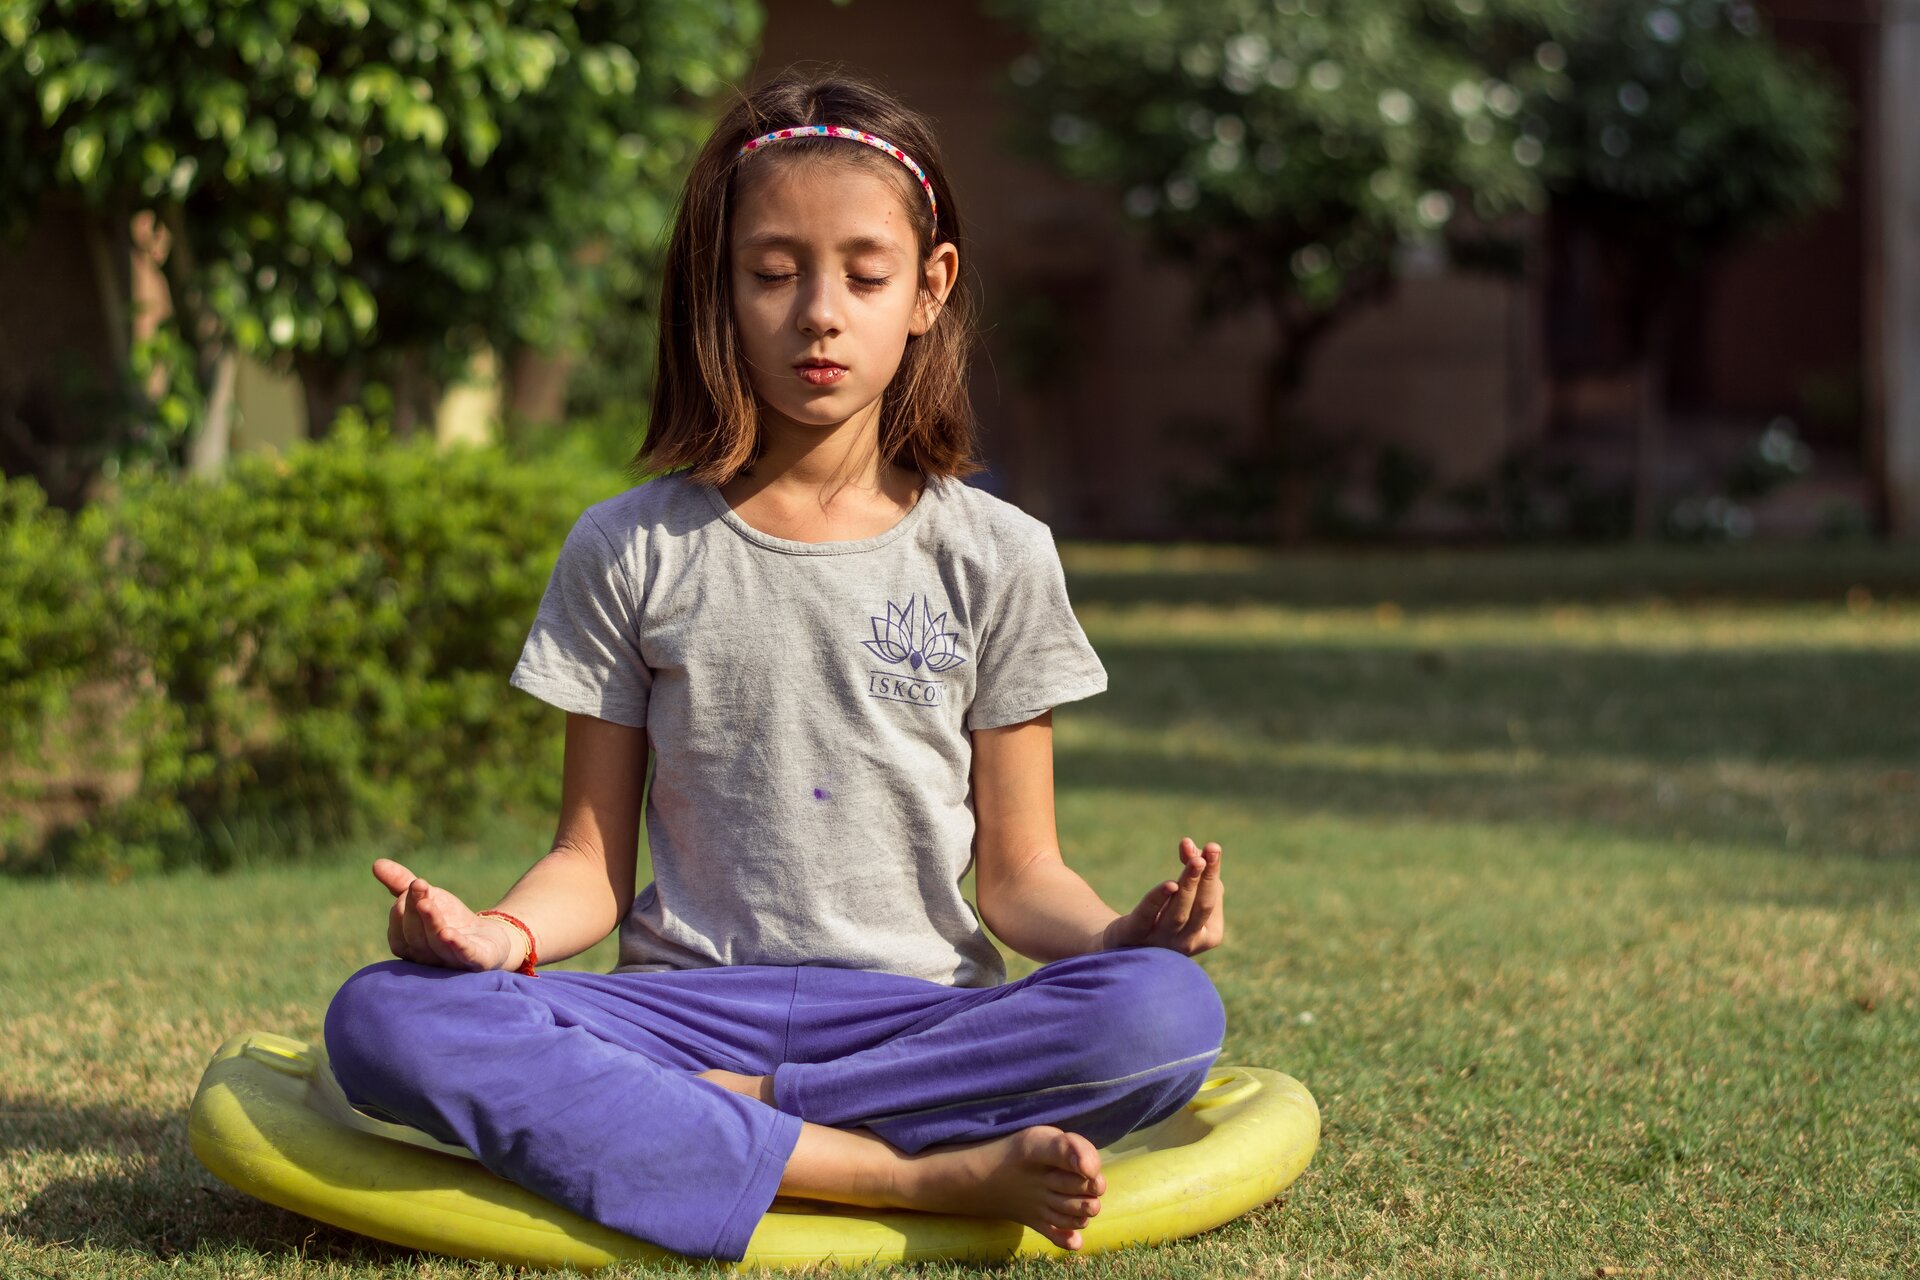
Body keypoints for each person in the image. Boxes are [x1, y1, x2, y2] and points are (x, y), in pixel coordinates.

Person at [321, 67, 1228, 1263]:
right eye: (772, 273)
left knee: (1164, 1013)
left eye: (865, 275)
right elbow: (588, 863)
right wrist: (499, 937)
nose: (819, 314)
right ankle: (909, 1172)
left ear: (931, 288)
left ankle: (716, 1120)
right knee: (385, 1016)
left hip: (915, 1018)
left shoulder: (998, 554)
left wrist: (1121, 936)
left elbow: (1020, 877)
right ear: (720, 288)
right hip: (676, 1011)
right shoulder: (628, 546)